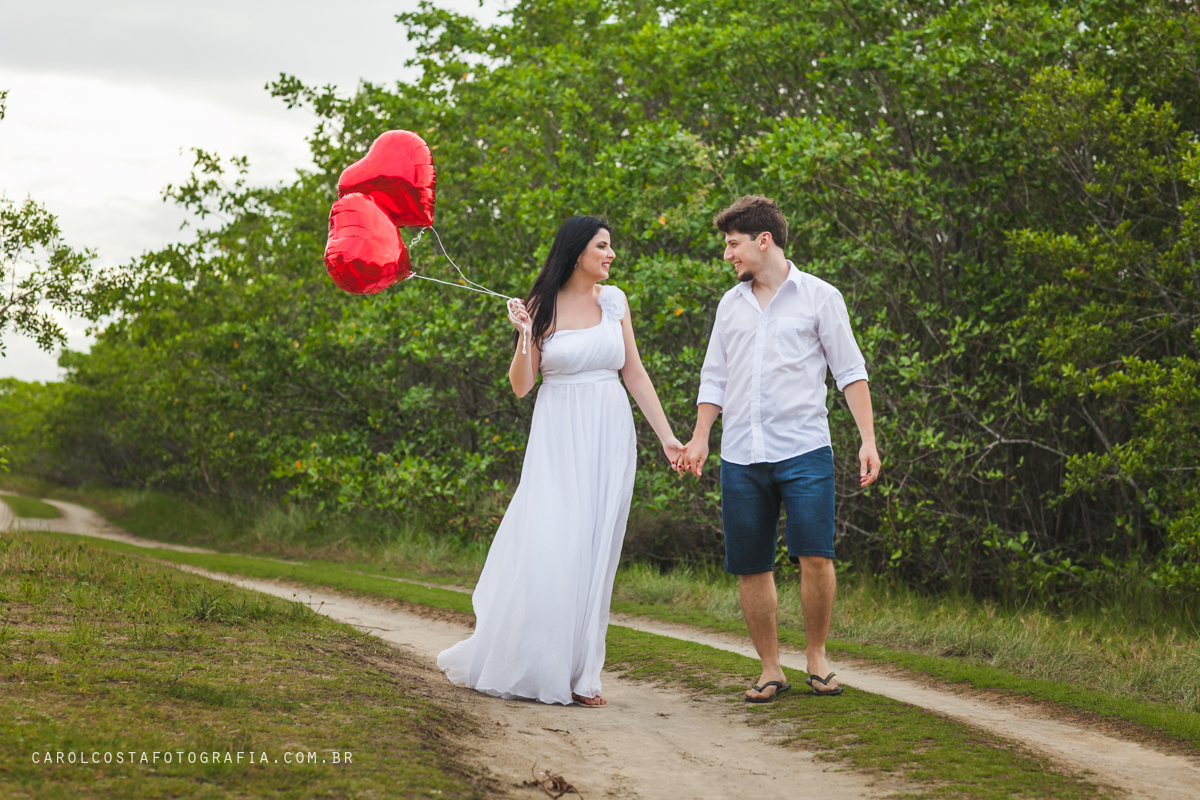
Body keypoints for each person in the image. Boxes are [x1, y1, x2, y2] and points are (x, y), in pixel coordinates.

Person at [437, 216, 685, 707]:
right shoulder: (538, 307)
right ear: (577, 252)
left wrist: (668, 438)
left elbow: (634, 373)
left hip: (609, 432)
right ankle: (535, 664)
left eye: (611, 246)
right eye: (603, 246)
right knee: (556, 543)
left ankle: (583, 675)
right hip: (558, 436)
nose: (611, 254)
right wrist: (526, 335)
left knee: (596, 549)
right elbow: (522, 385)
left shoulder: (614, 303)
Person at [678, 195, 880, 702]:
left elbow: (850, 371)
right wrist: (702, 436)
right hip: (742, 454)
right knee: (752, 564)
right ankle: (770, 668)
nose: (728, 255)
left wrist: (868, 441)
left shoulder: (820, 297)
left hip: (805, 449)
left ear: (762, 240)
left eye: (733, 244)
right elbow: (714, 376)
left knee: (815, 556)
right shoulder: (730, 304)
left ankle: (816, 658)